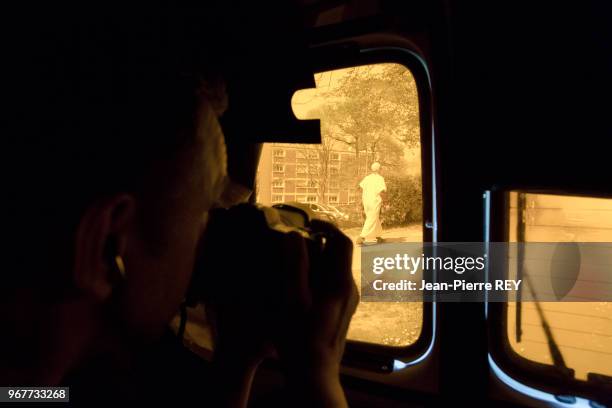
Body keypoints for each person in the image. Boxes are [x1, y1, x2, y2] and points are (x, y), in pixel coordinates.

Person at [1, 7, 358, 407]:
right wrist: (318, 375)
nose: (203, 249)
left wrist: (236, 361)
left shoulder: (34, 385)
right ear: (107, 246)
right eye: (202, 217)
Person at [356, 162, 387, 245]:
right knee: (372, 218)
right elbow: (382, 191)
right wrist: (386, 202)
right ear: (379, 169)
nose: (381, 170)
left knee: (374, 217)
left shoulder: (367, 178)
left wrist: (364, 194)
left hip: (366, 201)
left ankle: (378, 236)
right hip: (374, 201)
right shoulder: (380, 178)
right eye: (381, 168)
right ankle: (362, 237)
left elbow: (359, 187)